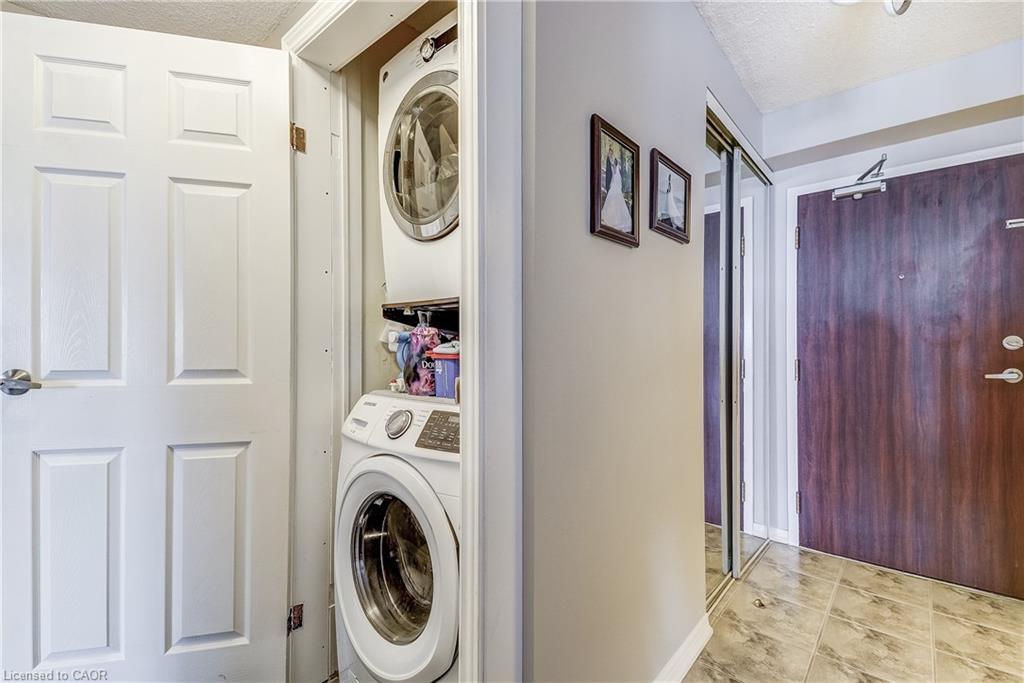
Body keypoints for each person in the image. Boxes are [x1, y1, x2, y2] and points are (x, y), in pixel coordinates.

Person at [601, 155, 632, 232]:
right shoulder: (617, 169)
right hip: (615, 185)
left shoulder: (616, 168)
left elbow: (614, 176)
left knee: (614, 200)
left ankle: (614, 220)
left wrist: (612, 184)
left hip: (615, 185)